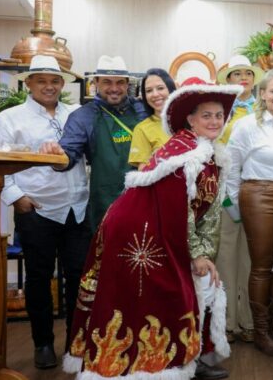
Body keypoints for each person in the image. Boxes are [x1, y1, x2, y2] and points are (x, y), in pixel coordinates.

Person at [63, 77, 241, 379]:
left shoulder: (212, 153)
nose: (214, 121)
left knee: (193, 285)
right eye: (206, 115)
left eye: (219, 115)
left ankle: (190, 357)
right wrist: (196, 254)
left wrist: (204, 253)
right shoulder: (183, 155)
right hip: (137, 234)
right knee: (163, 295)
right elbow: (179, 212)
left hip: (162, 232)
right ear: (190, 119)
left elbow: (207, 216)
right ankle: (150, 367)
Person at [0, 55, 89, 369]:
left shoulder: (77, 114)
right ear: (28, 83)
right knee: (39, 279)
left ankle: (76, 343)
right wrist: (17, 197)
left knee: (77, 278)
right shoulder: (9, 119)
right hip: (36, 210)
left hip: (78, 209)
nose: (49, 86)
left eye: (55, 80)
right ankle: (43, 343)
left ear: (62, 84)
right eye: (41, 80)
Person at [225, 69, 273, 357]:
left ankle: (271, 325)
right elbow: (232, 170)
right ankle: (260, 331)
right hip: (257, 196)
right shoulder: (246, 126)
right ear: (262, 94)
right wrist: (234, 210)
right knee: (262, 266)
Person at [40, 55, 148, 233]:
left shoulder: (142, 109)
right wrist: (57, 156)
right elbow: (69, 152)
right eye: (107, 82)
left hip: (146, 198)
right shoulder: (83, 116)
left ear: (127, 83)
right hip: (106, 201)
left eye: (120, 82)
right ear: (96, 82)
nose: (114, 89)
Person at [214, 54, 263, 344]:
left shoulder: (263, 109)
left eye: (248, 73)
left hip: (255, 194)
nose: (243, 77)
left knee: (251, 260)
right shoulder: (219, 109)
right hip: (224, 194)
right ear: (227, 79)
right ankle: (226, 322)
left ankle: (247, 321)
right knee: (225, 259)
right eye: (236, 73)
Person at [128, 68, 177, 168]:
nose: (155, 94)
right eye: (149, 90)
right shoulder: (142, 129)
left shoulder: (189, 122)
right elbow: (144, 174)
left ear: (171, 89)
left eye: (160, 88)